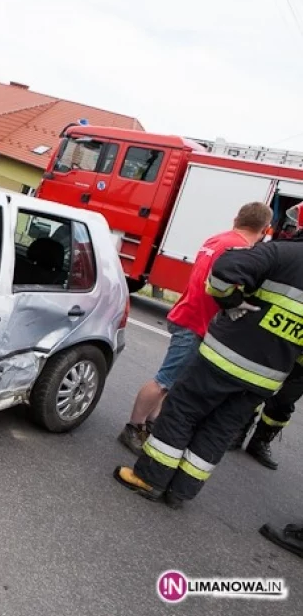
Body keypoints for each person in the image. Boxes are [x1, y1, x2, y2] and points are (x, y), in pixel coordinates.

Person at [114, 228, 303, 508]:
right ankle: (180, 492)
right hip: (266, 378)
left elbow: (224, 270)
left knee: (182, 411)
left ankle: (150, 479)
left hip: (225, 358)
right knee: (219, 430)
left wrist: (231, 303)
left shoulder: (282, 251)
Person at [117, 203, 273, 454]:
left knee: (173, 381)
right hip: (196, 322)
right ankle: (133, 428)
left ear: (237, 218)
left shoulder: (218, 239)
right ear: (266, 229)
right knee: (165, 380)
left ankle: (150, 425)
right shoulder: (242, 250)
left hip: (187, 313)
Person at [229, 362, 302, 469]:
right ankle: (240, 429)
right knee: (259, 384)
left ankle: (260, 441)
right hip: (284, 348)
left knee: (285, 400)